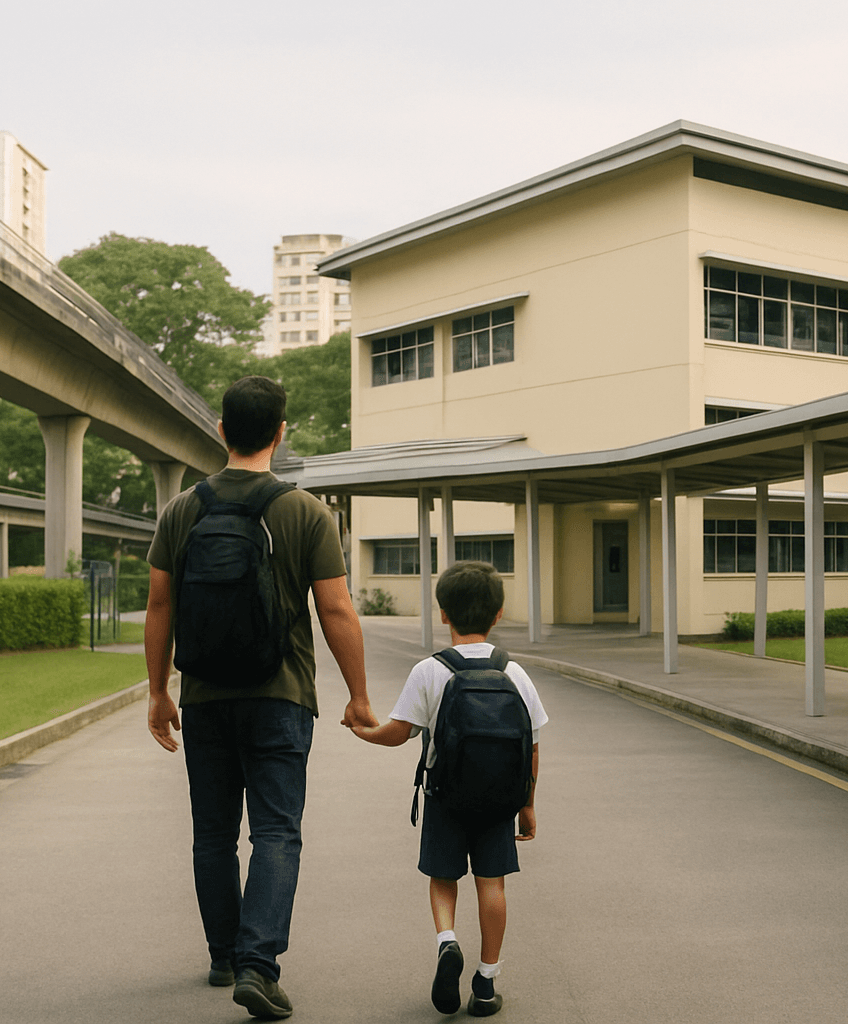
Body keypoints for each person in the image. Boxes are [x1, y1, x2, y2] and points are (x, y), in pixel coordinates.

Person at [145, 375, 377, 1021]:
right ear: (281, 433)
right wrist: (358, 695)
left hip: (206, 697)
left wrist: (160, 692)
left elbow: (161, 605)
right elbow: (336, 609)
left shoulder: (182, 510)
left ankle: (224, 954)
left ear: (220, 430)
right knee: (276, 831)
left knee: (213, 833)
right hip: (280, 695)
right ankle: (258, 965)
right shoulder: (304, 511)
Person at [352, 560, 548, 1018]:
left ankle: (447, 942)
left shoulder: (429, 671)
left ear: (443, 614)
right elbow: (532, 746)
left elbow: (400, 732)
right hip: (499, 801)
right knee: (491, 883)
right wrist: (527, 805)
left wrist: (364, 731)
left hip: (445, 797)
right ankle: (486, 981)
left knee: (443, 879)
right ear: (498, 614)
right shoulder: (515, 673)